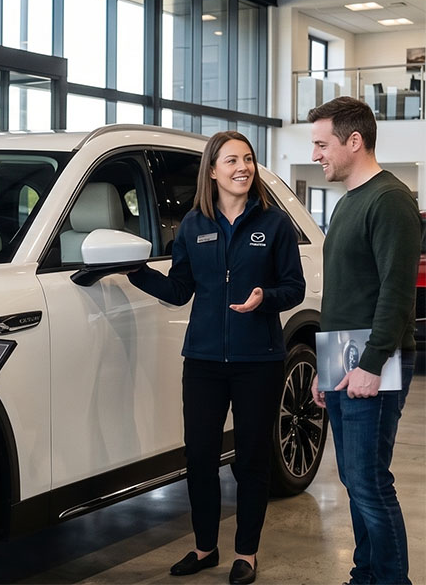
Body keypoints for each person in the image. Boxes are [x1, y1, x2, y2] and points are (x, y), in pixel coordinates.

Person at [127, 131, 306, 585]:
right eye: (232, 161)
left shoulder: (275, 224)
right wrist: (133, 272)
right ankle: (204, 548)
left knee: (250, 460)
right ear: (212, 170)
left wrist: (266, 297)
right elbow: (179, 290)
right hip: (203, 361)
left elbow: (294, 288)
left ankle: (246, 552)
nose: (243, 167)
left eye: (248, 159)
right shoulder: (193, 226)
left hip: (258, 361)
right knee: (201, 457)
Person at [308, 96, 419, 585]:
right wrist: (324, 367)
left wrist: (372, 364)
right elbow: (347, 294)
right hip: (343, 355)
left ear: (355, 141)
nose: (315, 154)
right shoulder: (350, 199)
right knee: (354, 480)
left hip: (375, 358)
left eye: (321, 143)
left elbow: (395, 294)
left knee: (370, 483)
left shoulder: (390, 200)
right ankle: (365, 575)